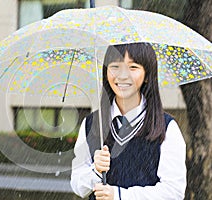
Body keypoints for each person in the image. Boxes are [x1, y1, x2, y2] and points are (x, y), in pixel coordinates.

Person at [70, 43, 186, 200]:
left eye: (133, 67)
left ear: (146, 76)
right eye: (115, 66)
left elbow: (173, 192)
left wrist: (119, 195)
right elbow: (78, 186)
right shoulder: (91, 124)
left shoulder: (166, 127)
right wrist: (95, 171)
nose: (123, 75)